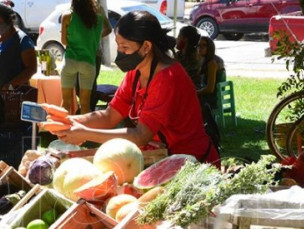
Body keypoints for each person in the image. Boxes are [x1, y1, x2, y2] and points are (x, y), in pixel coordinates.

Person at [55, 11, 219, 166]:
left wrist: (84, 133)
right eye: (118, 46)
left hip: (192, 163)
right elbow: (109, 115)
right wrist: (67, 121)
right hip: (162, 157)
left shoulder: (167, 78)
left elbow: (140, 136)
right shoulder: (136, 72)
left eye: (125, 47)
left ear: (146, 46)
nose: (120, 52)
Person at [60, 0, 111, 114]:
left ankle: (62, 131)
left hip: (70, 61)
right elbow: (108, 29)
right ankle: (85, 131)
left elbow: (63, 41)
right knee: (85, 105)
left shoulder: (67, 16)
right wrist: (93, 39)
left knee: (66, 103)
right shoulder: (99, 15)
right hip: (89, 63)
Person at [0, 3, 37, 91]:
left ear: (9, 21)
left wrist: (11, 85)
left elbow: (31, 69)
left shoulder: (22, 41)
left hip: (12, 95)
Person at [196, 36, 225, 110]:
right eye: (199, 45)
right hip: (212, 96)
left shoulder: (212, 63)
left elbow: (210, 89)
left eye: (204, 45)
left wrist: (196, 93)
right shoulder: (207, 60)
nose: (200, 48)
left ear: (210, 48)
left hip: (212, 99)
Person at [175, 25, 201, 90]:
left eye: (179, 36)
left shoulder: (195, 57)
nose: (176, 39)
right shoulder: (179, 54)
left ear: (185, 39)